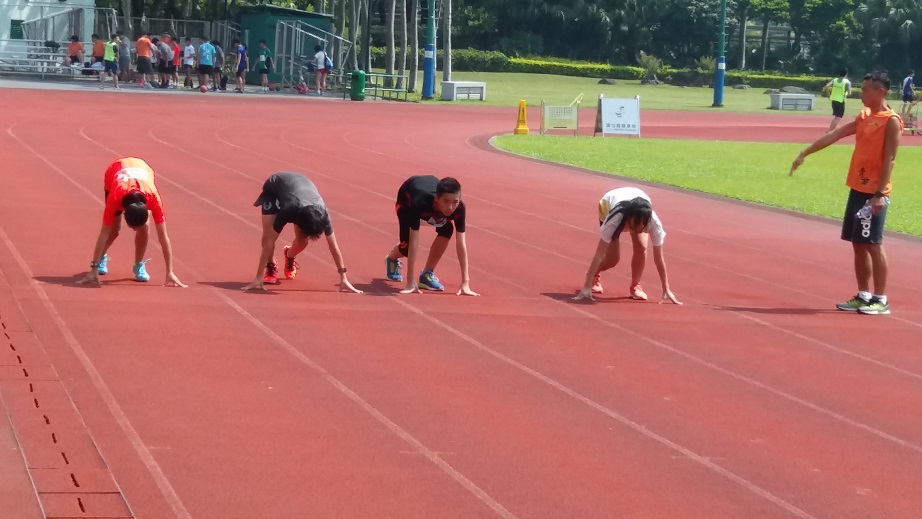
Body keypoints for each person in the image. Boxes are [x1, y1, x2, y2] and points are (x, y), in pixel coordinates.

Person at [790, 70, 902, 315]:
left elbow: (890, 159)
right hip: (857, 188)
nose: (861, 93)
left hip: (874, 193)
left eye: (866, 90)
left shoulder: (891, 121)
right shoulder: (864, 116)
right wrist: (805, 153)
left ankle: (880, 299)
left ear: (880, 92)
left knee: (873, 244)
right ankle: (863, 295)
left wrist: (879, 195)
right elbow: (836, 134)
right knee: (858, 243)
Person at [243, 173, 361, 293]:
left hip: (299, 193)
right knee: (267, 238)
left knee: (302, 242)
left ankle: (289, 255)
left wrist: (343, 277)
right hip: (274, 188)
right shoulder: (288, 210)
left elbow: (333, 246)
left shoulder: (323, 214)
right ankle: (271, 264)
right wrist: (258, 276)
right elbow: (269, 241)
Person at [78, 157, 185, 287]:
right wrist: (93, 268)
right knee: (114, 230)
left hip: (143, 169)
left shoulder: (154, 198)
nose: (135, 230)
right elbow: (103, 234)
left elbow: (163, 238)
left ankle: (138, 264)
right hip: (115, 170)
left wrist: (170, 272)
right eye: (133, 227)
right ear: (124, 214)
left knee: (145, 227)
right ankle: (101, 257)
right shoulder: (115, 198)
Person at [573, 187, 680, 304]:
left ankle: (635, 285)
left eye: (642, 226)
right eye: (635, 226)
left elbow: (659, 258)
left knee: (641, 247)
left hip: (638, 205)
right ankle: (593, 275)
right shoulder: (614, 220)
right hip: (607, 205)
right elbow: (599, 253)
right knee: (613, 259)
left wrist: (666, 289)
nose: (639, 229)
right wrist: (586, 286)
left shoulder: (654, 223)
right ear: (628, 219)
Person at [384, 176, 478, 296]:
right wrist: (410, 280)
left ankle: (427, 273)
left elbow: (461, 244)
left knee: (447, 229)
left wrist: (465, 283)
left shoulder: (459, 208)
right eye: (446, 201)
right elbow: (414, 239)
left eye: (455, 202)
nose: (450, 207)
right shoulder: (419, 202)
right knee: (406, 247)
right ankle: (391, 258)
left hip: (431, 202)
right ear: (437, 199)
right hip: (407, 200)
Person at [824, 68, 851, 133]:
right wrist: (846, 94)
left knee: (836, 116)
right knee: (837, 117)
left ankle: (831, 130)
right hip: (840, 101)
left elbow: (827, 86)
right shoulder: (847, 82)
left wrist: (829, 95)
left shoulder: (835, 80)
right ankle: (830, 131)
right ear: (846, 74)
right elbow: (849, 93)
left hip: (833, 100)